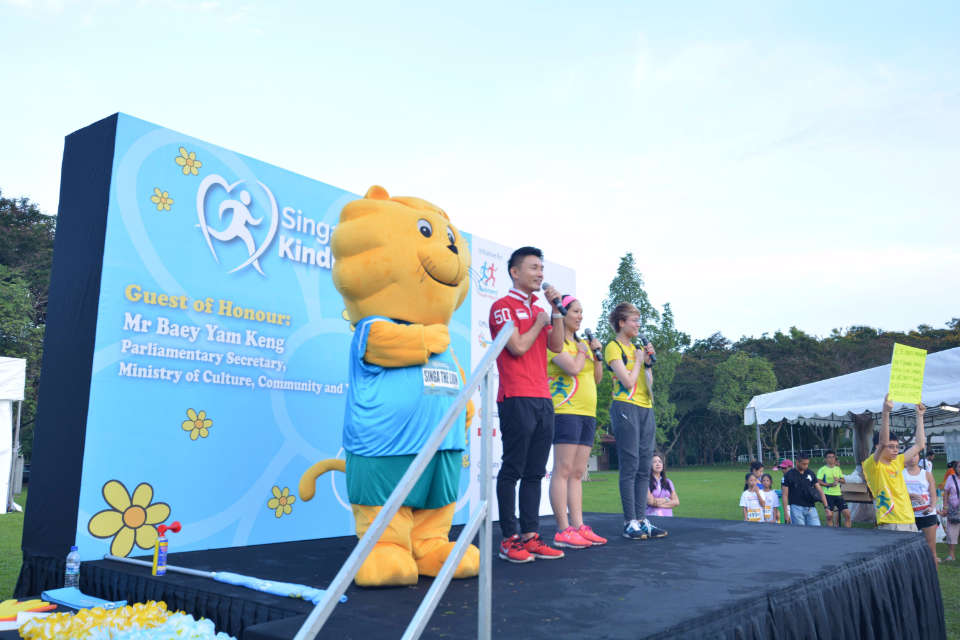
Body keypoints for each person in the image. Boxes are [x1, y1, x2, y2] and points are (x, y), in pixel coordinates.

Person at [489, 246, 566, 563]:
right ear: (515, 272)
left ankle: (531, 535)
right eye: (533, 268)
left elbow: (557, 345)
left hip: (542, 397)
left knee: (535, 471)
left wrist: (557, 312)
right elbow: (518, 346)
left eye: (542, 268)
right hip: (516, 395)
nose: (540, 274)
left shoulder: (541, 308)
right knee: (513, 469)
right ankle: (509, 539)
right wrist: (538, 321)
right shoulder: (502, 307)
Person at [547, 295, 607, 548]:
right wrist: (583, 352)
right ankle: (563, 529)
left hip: (587, 411)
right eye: (575, 311)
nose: (580, 316)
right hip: (565, 410)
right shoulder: (556, 341)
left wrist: (597, 355)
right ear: (563, 313)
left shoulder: (582, 344)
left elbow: (597, 378)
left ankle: (579, 526)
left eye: (582, 312)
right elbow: (571, 368)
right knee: (563, 469)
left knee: (578, 472)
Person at [604, 302, 665, 540]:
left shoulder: (639, 348)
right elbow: (627, 382)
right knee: (630, 465)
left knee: (644, 466)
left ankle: (642, 519)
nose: (638, 325)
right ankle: (630, 521)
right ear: (621, 322)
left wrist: (648, 363)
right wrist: (639, 361)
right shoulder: (613, 346)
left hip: (645, 407)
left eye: (639, 320)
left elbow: (648, 385)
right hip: (625, 406)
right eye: (634, 320)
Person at [862, 394, 926, 532]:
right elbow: (884, 442)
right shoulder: (872, 464)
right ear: (877, 447)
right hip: (891, 522)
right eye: (891, 447)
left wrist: (919, 416)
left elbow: (920, 445)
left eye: (897, 447)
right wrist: (885, 412)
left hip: (909, 519)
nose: (895, 450)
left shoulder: (897, 461)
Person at [903, 451, 939, 563]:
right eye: (910, 455)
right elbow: (896, 494)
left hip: (927, 515)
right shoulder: (900, 474)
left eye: (915, 455)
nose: (913, 458)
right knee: (908, 551)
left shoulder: (927, 474)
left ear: (919, 457)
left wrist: (931, 507)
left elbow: (933, 494)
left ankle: (933, 580)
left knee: (931, 549)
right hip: (908, 516)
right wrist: (910, 496)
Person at [782, 454, 828, 526]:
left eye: (807, 464)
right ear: (797, 462)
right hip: (796, 508)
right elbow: (784, 495)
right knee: (800, 533)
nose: (806, 466)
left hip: (811, 508)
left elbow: (820, 490)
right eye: (804, 464)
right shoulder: (789, 475)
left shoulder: (810, 473)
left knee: (817, 531)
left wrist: (826, 507)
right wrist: (786, 513)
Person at [817, 451, 851, 528]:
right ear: (825, 459)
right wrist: (830, 484)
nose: (831, 459)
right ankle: (830, 534)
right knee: (829, 516)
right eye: (829, 457)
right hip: (828, 495)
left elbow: (843, 481)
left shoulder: (838, 469)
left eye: (833, 457)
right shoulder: (822, 469)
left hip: (838, 495)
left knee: (847, 514)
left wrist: (838, 479)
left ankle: (848, 533)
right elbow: (818, 481)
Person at [647, 453, 679, 517]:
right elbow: (650, 502)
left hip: (668, 518)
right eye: (654, 462)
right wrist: (667, 499)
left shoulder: (668, 482)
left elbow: (676, 502)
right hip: (651, 517)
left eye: (660, 462)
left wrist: (657, 503)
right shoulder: (646, 482)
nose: (658, 464)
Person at [939, 465, 959, 562]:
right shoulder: (951, 478)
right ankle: (951, 555)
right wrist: (945, 507)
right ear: (955, 469)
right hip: (953, 510)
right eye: (959, 467)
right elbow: (946, 493)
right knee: (951, 533)